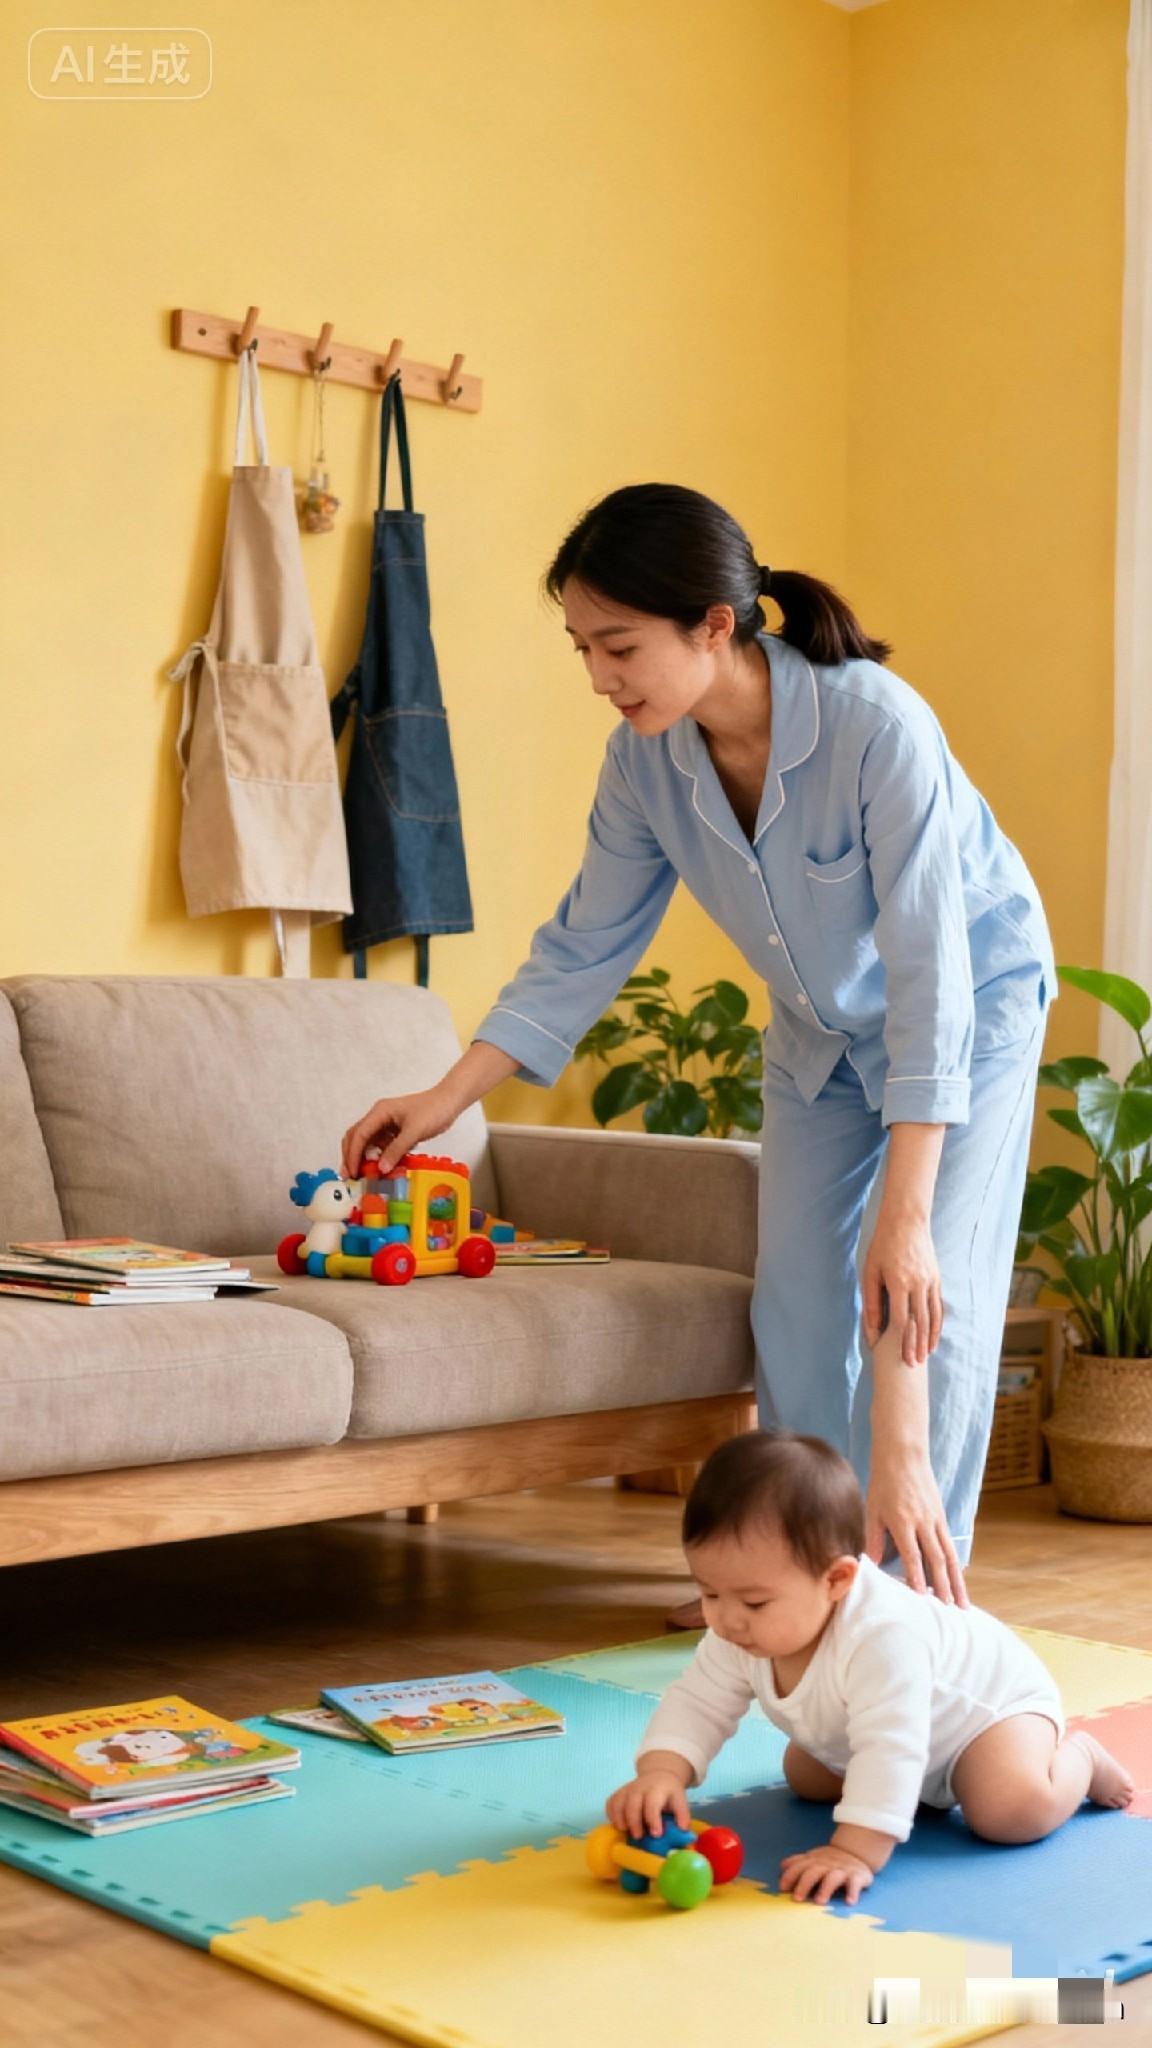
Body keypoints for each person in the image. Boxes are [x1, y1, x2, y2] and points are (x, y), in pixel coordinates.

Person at [342, 482, 1054, 1611]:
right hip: (817, 1037)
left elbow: (929, 972)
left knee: (925, 1302)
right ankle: (794, 1583)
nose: (598, 676)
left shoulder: (877, 727)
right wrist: (446, 1096)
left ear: (715, 625)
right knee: (799, 1305)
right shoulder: (645, 763)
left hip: (966, 1018)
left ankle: (911, 1605)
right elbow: (584, 943)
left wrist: (907, 1220)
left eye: (618, 645)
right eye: (583, 646)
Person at [606, 1426, 1133, 1907]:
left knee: (1009, 1812)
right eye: (708, 1592)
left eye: (754, 1603)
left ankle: (1080, 1759)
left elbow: (891, 1744)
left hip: (987, 1717)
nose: (725, 1619)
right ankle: (908, 1798)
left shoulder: (884, 1637)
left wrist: (855, 1850)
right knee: (806, 1776)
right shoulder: (737, 1627)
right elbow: (699, 1700)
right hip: (902, 1735)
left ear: (836, 1581)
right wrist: (661, 1773)